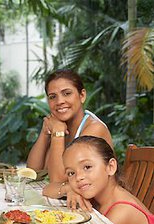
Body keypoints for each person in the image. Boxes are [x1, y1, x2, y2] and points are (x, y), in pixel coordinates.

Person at [26, 69, 113, 210]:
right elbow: (32, 173)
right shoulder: (61, 124)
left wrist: (58, 133)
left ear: (82, 95)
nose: (60, 101)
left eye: (67, 93)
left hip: (101, 211)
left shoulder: (93, 129)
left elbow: (58, 180)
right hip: (75, 205)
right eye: (52, 97)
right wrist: (44, 132)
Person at [63, 136, 154, 224]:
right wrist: (69, 189)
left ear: (110, 167)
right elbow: (48, 189)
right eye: (71, 173)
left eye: (87, 167)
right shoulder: (97, 192)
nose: (78, 177)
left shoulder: (121, 211)